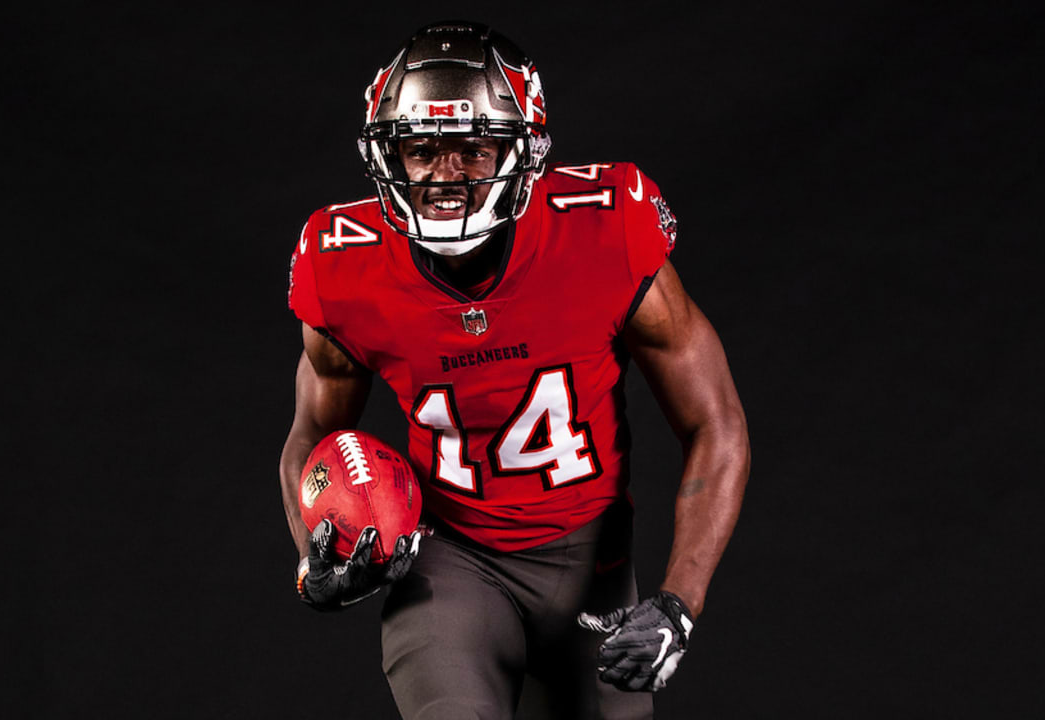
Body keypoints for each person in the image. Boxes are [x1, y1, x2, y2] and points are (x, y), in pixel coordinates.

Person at [279, 20, 750, 719]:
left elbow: (716, 423)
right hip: (448, 561)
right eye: (420, 148)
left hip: (595, 568)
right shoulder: (342, 262)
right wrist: (314, 553)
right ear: (389, 156)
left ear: (522, 151)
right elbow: (312, 435)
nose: (445, 174)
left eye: (473, 147)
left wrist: (678, 604)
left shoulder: (603, 228)